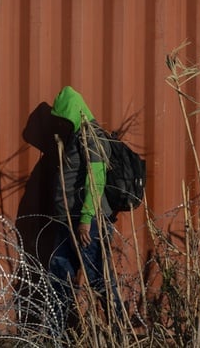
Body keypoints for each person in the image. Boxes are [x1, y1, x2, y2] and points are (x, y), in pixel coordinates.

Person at [45, 86, 124, 324]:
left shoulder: (92, 136)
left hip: (85, 225)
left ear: (73, 112)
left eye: (63, 118)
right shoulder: (78, 136)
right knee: (59, 273)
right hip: (69, 221)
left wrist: (86, 219)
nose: (61, 124)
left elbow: (96, 179)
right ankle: (54, 333)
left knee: (97, 278)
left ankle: (119, 329)